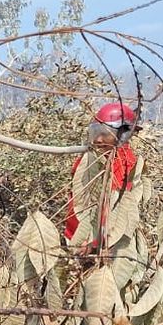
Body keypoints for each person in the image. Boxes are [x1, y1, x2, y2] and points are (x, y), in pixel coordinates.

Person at [63, 102, 140, 249]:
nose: (98, 140)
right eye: (96, 132)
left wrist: (94, 243)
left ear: (124, 134)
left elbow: (113, 208)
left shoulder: (126, 164)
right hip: (74, 239)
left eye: (105, 133)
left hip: (97, 247)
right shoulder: (88, 159)